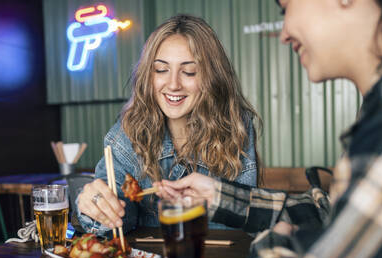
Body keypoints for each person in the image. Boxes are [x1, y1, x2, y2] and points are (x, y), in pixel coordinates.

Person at [158, 0, 382, 258]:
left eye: (286, 8)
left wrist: (273, 245)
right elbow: (330, 217)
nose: (283, 34)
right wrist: (219, 197)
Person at [76, 14, 262, 235]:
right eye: (161, 70)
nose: (173, 84)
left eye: (189, 71)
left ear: (212, 77)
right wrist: (97, 207)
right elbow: (115, 224)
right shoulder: (127, 133)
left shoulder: (235, 127)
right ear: (148, 75)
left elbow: (250, 223)